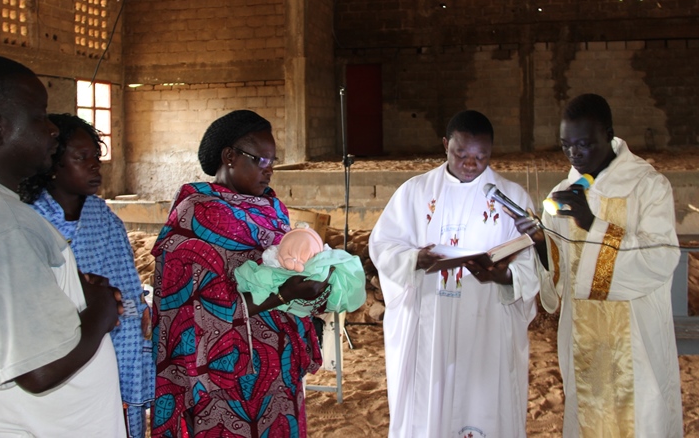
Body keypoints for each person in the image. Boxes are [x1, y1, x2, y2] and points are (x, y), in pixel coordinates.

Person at [0, 55, 126, 436]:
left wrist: (67, 292)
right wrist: (101, 313)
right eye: (38, 116)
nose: (52, 130)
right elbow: (37, 370)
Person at [508, 93, 683, 437]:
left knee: (643, 420)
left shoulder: (647, 186)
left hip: (637, 344)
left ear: (609, 134)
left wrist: (594, 224)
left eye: (584, 144)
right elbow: (560, 281)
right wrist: (542, 243)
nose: (574, 154)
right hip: (585, 347)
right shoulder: (563, 194)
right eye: (566, 146)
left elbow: (661, 257)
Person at [150, 109, 331, 437]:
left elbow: (281, 266)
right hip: (222, 374)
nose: (270, 171)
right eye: (261, 160)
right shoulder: (195, 215)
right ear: (230, 157)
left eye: (273, 161)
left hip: (277, 367)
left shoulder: (272, 208)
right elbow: (204, 308)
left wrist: (310, 286)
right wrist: (286, 294)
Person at [369, 110, 540, 438]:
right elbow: (384, 245)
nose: (472, 164)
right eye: (461, 153)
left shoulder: (512, 197)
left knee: (482, 400)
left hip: (487, 321)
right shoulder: (415, 192)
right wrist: (416, 258)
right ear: (445, 145)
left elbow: (530, 262)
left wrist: (502, 276)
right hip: (431, 321)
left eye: (481, 156)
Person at [19, 113, 155, 438]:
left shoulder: (104, 220)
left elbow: (129, 293)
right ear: (52, 164)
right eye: (82, 158)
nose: (96, 166)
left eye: (96, 157)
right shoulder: (29, 223)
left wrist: (140, 314)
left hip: (119, 351)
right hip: (62, 363)